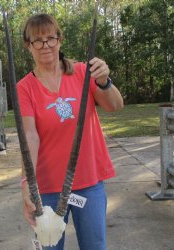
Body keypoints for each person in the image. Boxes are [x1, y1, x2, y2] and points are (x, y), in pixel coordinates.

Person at [17, 13, 124, 250]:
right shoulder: (24, 88)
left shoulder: (84, 72)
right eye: (37, 40)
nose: (45, 45)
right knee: (48, 246)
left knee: (95, 246)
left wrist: (105, 81)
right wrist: (26, 182)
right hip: (46, 190)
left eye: (50, 38)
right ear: (29, 45)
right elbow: (30, 137)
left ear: (59, 40)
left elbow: (115, 106)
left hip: (88, 182)